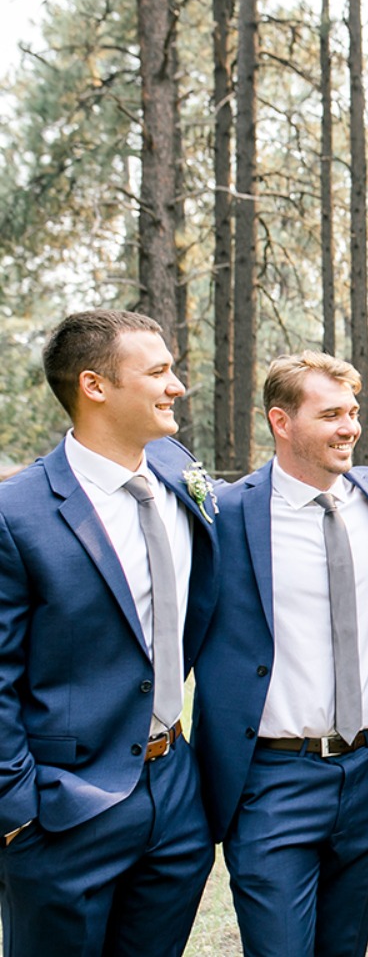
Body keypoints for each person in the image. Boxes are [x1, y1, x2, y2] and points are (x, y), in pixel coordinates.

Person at [0, 309, 216, 956]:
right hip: (63, 811)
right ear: (95, 387)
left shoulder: (179, 471)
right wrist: (19, 815)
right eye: (157, 372)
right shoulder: (19, 513)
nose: (176, 385)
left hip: (175, 794)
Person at [190, 351, 368, 957]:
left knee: (347, 945)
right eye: (331, 414)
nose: (350, 427)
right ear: (281, 422)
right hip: (271, 778)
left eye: (353, 412)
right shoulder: (224, 515)